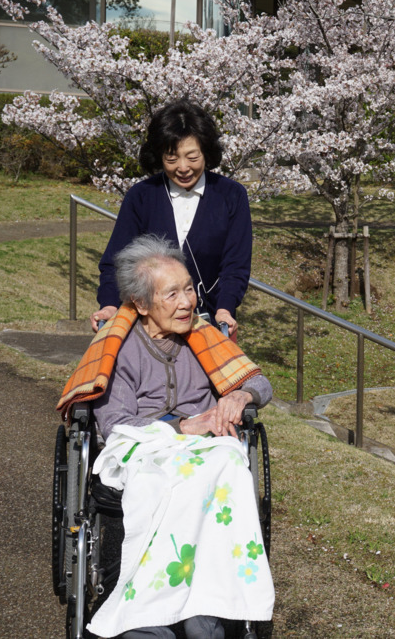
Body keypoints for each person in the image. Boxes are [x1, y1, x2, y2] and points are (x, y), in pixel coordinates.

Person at [58, 234, 273, 639]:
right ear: (140, 304)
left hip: (207, 449)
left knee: (229, 466)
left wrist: (242, 392)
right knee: (172, 483)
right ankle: (149, 612)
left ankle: (206, 609)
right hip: (149, 449)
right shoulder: (117, 348)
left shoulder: (205, 337)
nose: (187, 302)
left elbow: (259, 383)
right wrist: (181, 427)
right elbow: (116, 426)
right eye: (172, 293)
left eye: (190, 289)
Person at [91, 99, 253, 338]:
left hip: (209, 323)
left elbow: (235, 266)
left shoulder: (231, 195)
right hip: (149, 327)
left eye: (192, 157)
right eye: (172, 158)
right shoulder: (142, 196)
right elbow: (116, 262)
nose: (183, 167)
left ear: (206, 153)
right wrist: (108, 304)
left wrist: (225, 309)